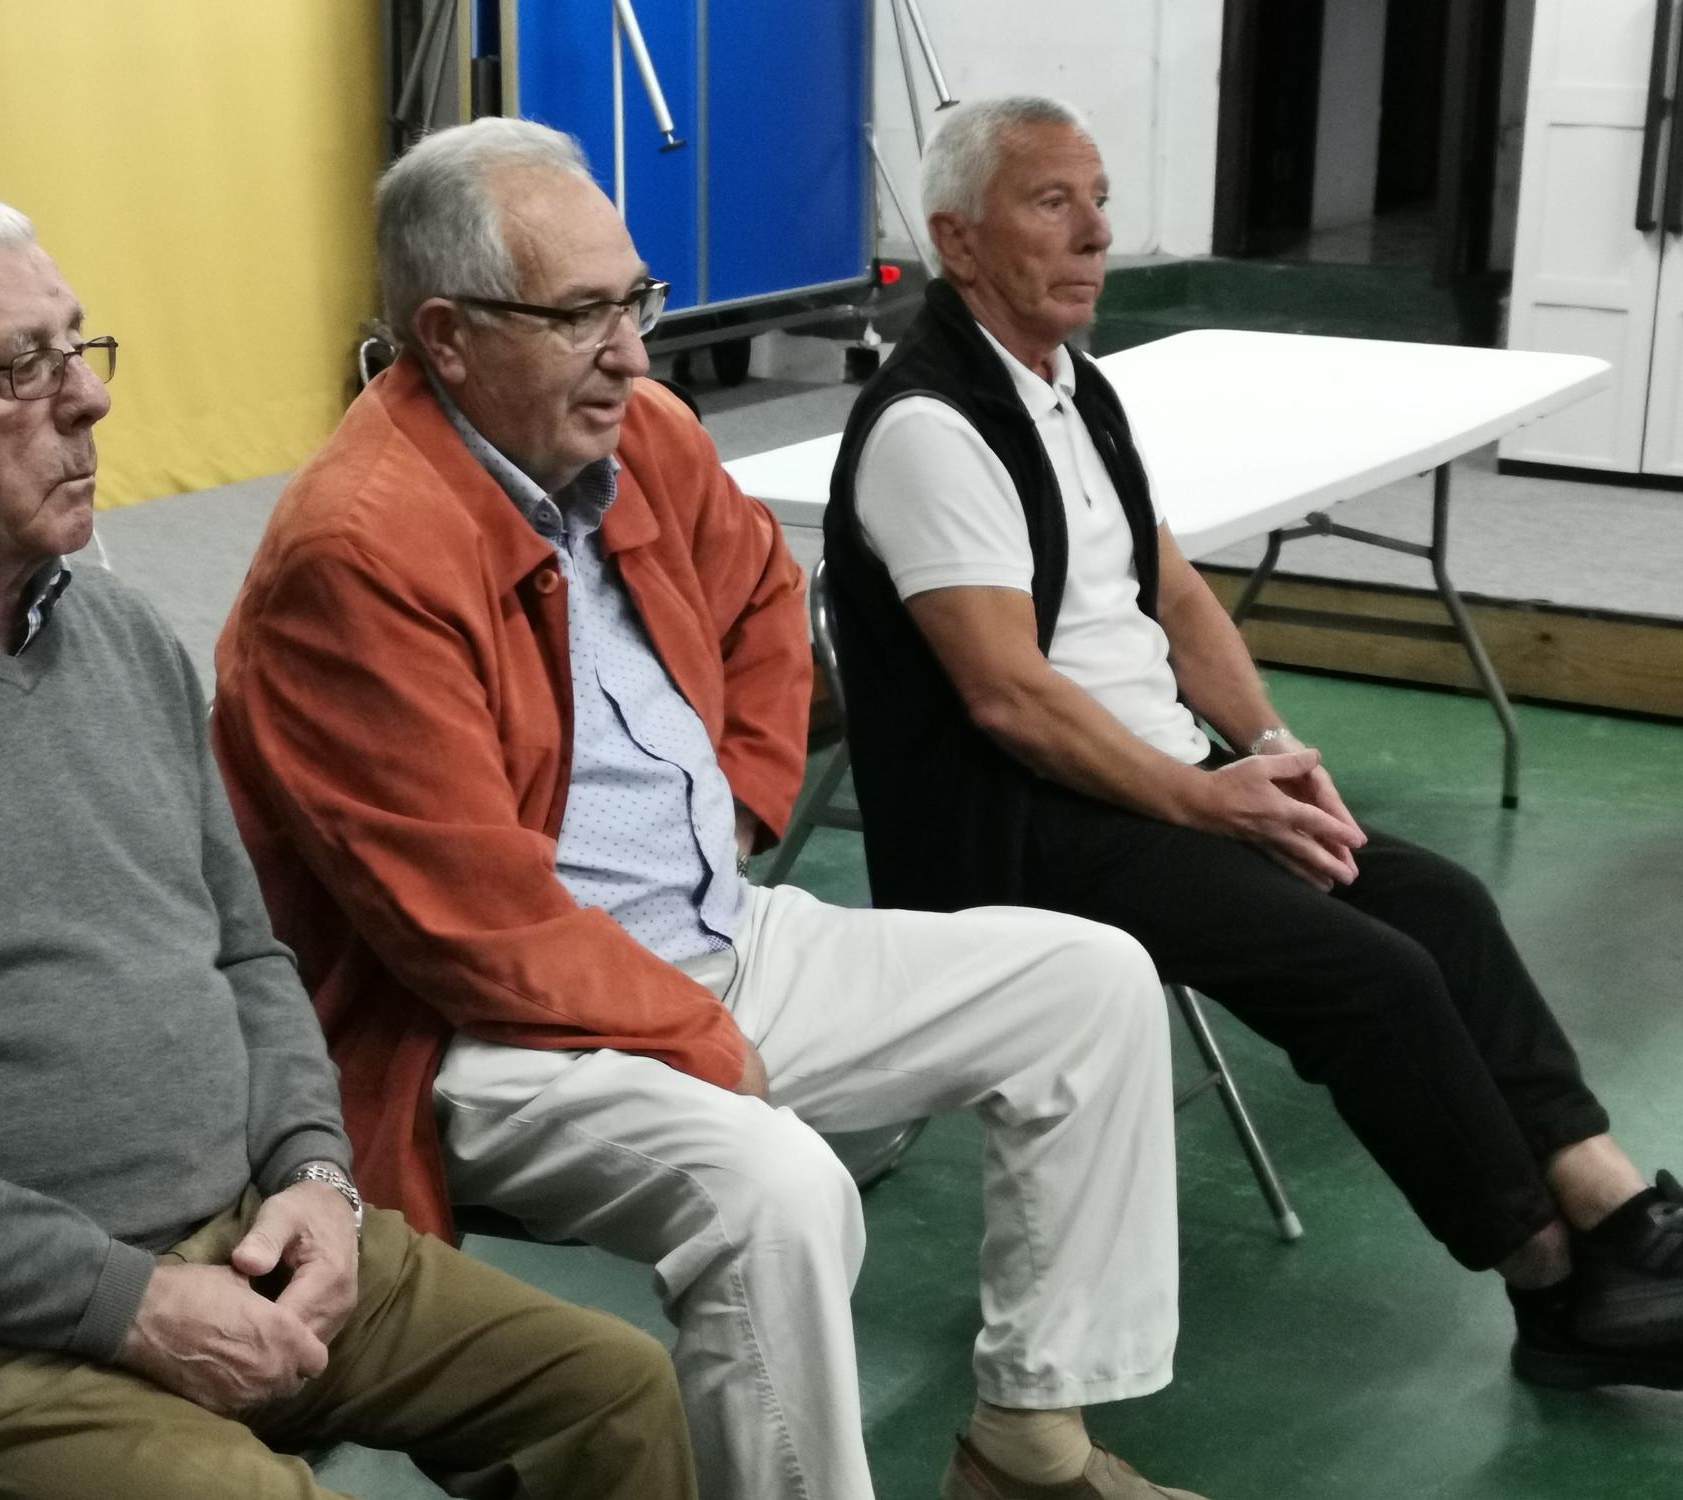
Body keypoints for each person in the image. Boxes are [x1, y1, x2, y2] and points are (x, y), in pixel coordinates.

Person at [213, 117, 1210, 1500]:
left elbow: (763, 605)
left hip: (706, 938)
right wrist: (702, 1037)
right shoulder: (360, 550)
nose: (632, 352)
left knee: (1090, 981)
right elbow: (470, 932)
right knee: (777, 1188)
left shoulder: (643, 435)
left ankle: (1025, 1449)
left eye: (635, 300)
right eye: (580, 316)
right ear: (445, 337)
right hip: (488, 1034)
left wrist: (739, 802)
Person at [0, 194, 697, 1500]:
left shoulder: (123, 640)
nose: (86, 402)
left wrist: (317, 1180)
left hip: (241, 1238)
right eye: (17, 368)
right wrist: (127, 1302)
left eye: (77, 349)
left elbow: (246, 950)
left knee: (612, 1397)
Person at [825, 95, 1683, 1398]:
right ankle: (1553, 1283)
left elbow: (1170, 593)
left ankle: (1621, 1214)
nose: (1097, 232)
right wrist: (1210, 800)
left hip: (1158, 786)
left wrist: (1276, 746)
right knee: (1375, 976)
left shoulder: (1075, 387)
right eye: (1052, 203)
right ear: (957, 238)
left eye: (1100, 197)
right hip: (1025, 827)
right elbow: (1006, 699)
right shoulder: (930, 429)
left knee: (1436, 900)